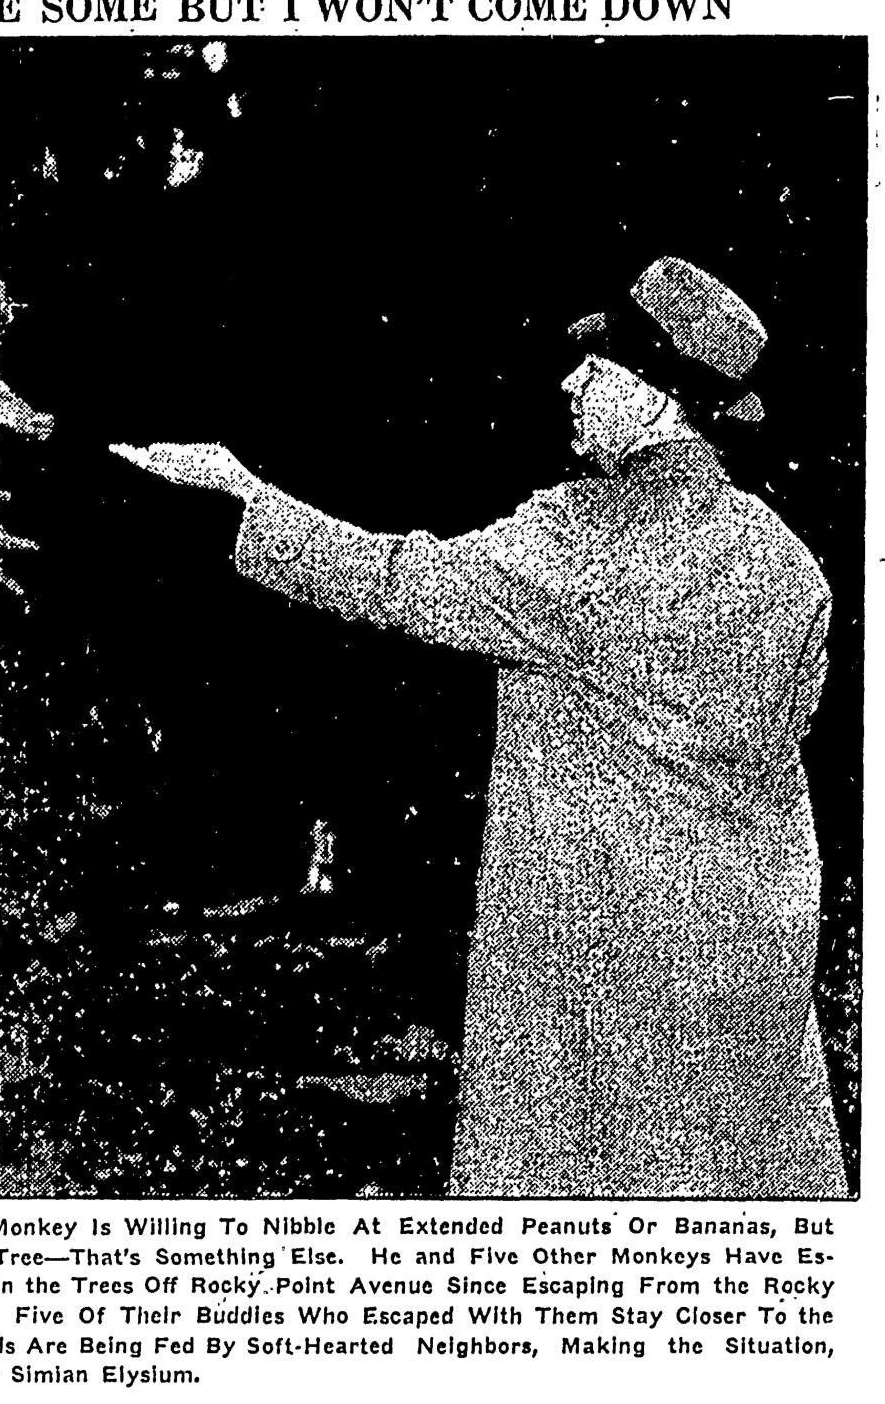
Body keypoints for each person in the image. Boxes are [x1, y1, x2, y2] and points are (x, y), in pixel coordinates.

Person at [109, 256, 848, 1198]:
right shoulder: (787, 563)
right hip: (748, 956)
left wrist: (239, 493)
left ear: (666, 405)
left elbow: (391, 577)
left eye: (606, 365)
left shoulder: (584, 548)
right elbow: (793, 721)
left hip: (601, 950)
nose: (572, 379)